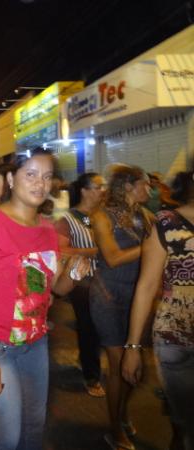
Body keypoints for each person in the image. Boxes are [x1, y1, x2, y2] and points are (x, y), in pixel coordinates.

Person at [0, 148, 86, 450]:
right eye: (30, 174)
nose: (39, 183)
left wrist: (75, 273)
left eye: (46, 177)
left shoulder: (46, 229)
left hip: (35, 344)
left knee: (33, 429)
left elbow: (56, 288)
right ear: (10, 178)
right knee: (4, 437)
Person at [122, 171, 194, 450]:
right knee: (187, 425)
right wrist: (132, 346)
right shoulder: (165, 223)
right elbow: (147, 286)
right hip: (177, 339)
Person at [89, 164, 152, 450]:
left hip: (136, 298)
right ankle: (114, 430)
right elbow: (112, 258)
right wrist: (151, 247)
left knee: (134, 364)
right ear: (128, 186)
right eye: (145, 184)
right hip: (108, 296)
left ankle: (121, 413)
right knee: (117, 366)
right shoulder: (102, 216)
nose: (148, 190)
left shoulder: (144, 216)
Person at [55, 172, 107, 398]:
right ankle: (91, 375)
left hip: (107, 280)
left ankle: (89, 361)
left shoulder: (104, 216)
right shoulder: (68, 219)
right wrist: (95, 251)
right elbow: (61, 250)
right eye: (97, 186)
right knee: (89, 327)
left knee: (102, 329)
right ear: (84, 190)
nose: (102, 190)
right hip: (82, 283)